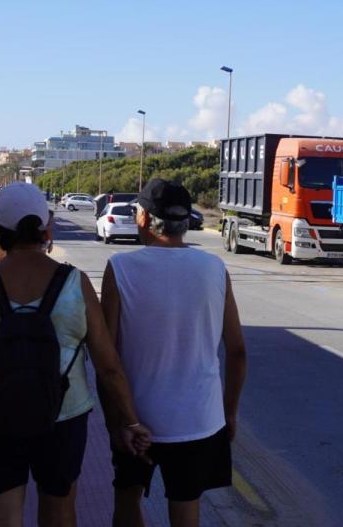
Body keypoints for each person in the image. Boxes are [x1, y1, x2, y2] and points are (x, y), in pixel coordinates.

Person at [0, 183, 150, 527]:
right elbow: (108, 364)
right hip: (64, 416)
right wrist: (130, 421)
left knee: (0, 516)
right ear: (47, 229)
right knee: (59, 509)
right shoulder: (75, 283)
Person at [101, 179, 247, 527]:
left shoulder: (120, 269)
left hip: (136, 419)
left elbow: (108, 359)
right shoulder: (215, 268)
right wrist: (229, 413)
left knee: (127, 501)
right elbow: (237, 351)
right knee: (186, 508)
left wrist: (117, 423)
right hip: (199, 420)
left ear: (144, 219)